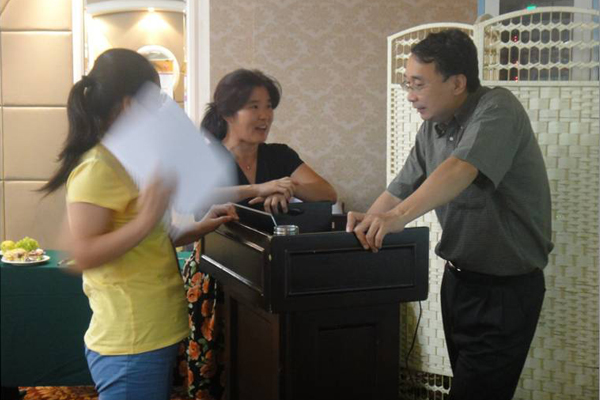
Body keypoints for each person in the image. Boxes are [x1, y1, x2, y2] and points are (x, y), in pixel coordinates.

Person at [346, 29, 553, 400]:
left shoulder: (498, 108)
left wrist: (397, 219)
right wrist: (364, 225)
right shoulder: (432, 129)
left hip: (506, 291)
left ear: (458, 83)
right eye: (408, 84)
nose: (410, 95)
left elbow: (460, 168)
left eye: (419, 84)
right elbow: (398, 189)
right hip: (458, 283)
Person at [41, 48, 237, 400]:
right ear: (130, 104)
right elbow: (82, 253)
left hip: (151, 331)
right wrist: (147, 218)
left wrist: (200, 226)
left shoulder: (128, 160)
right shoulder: (98, 166)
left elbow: (145, 240)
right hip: (132, 339)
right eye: (155, 101)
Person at [178, 69, 337, 399]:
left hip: (267, 275)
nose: (265, 115)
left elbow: (327, 193)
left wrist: (288, 187)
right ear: (227, 113)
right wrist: (258, 188)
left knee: (264, 367)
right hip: (216, 277)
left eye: (268, 106)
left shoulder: (279, 155)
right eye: (253, 106)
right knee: (216, 368)